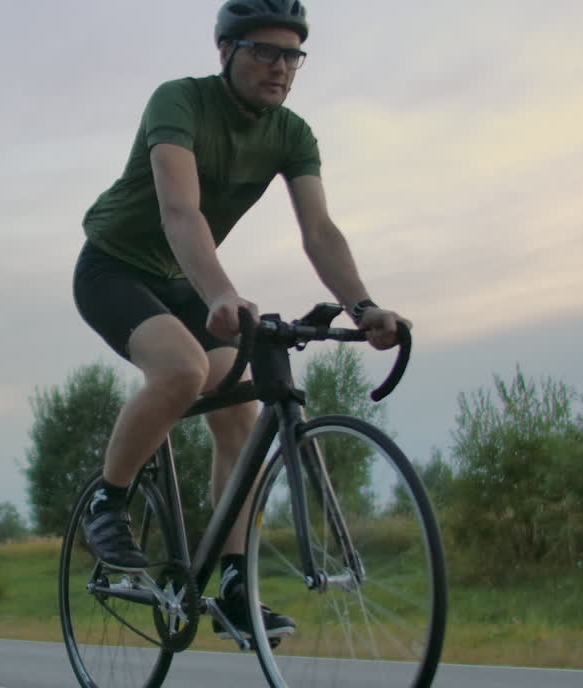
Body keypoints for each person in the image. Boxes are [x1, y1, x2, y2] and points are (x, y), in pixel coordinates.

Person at [72, 0, 408, 641]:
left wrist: (364, 306)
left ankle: (229, 581)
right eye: (264, 52)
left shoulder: (292, 134)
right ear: (226, 51)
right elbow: (179, 212)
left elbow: (320, 231)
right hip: (115, 268)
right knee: (182, 370)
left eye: (292, 55)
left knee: (239, 413)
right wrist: (224, 292)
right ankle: (106, 500)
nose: (281, 68)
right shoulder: (180, 102)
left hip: (185, 279)